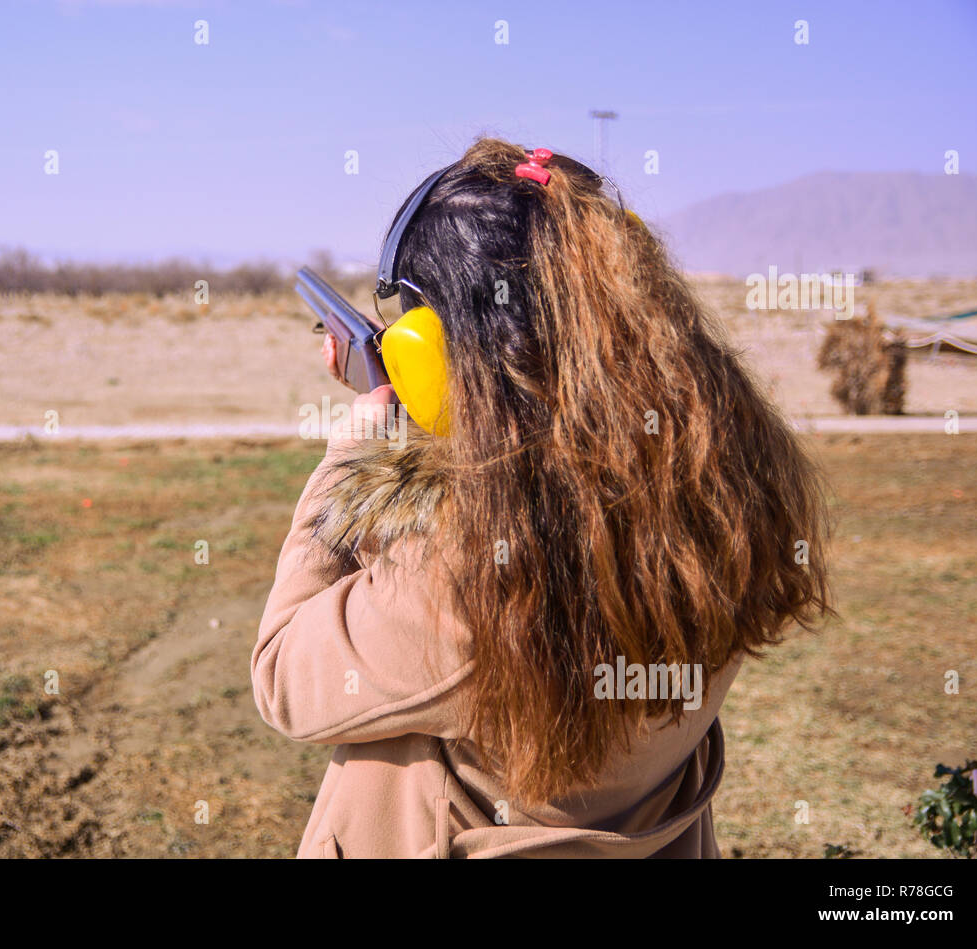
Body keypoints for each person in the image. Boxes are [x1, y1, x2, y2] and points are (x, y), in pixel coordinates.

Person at [252, 137, 832, 858]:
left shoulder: (469, 572)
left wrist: (362, 447)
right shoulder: (726, 502)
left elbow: (283, 674)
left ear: (434, 352)